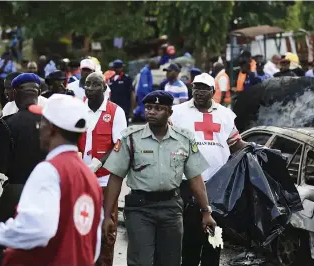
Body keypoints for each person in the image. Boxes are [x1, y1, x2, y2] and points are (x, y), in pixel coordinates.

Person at [0, 94, 103, 266]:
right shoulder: (90, 177)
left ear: (51, 128)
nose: (39, 128)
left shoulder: (50, 170)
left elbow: (37, 228)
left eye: (42, 122)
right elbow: (94, 244)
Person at [102, 90, 216, 266]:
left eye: (158, 108)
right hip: (140, 208)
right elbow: (116, 178)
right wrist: (107, 215)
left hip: (171, 208)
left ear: (170, 112)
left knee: (170, 261)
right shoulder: (130, 138)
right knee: (142, 261)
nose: (151, 112)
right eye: (148, 107)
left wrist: (206, 212)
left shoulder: (184, 139)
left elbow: (195, 178)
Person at [171, 73, 248, 266]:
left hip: (218, 185)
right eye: (196, 87)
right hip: (186, 183)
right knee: (189, 239)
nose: (199, 91)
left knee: (214, 239)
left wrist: (255, 148)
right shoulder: (177, 113)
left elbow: (235, 143)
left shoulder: (225, 115)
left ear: (213, 92)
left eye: (204, 88)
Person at [0, 73, 47, 266]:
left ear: (15, 93)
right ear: (38, 92)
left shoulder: (8, 123)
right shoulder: (52, 122)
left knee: (0, 235)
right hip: (47, 191)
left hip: (17, 188)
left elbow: (0, 164)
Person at [78, 72, 127, 266]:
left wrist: (99, 162)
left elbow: (119, 145)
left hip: (106, 180)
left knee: (107, 227)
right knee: (82, 225)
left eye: (95, 85)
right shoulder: (79, 109)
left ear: (105, 88)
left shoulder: (115, 112)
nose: (90, 88)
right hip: (81, 179)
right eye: (87, 84)